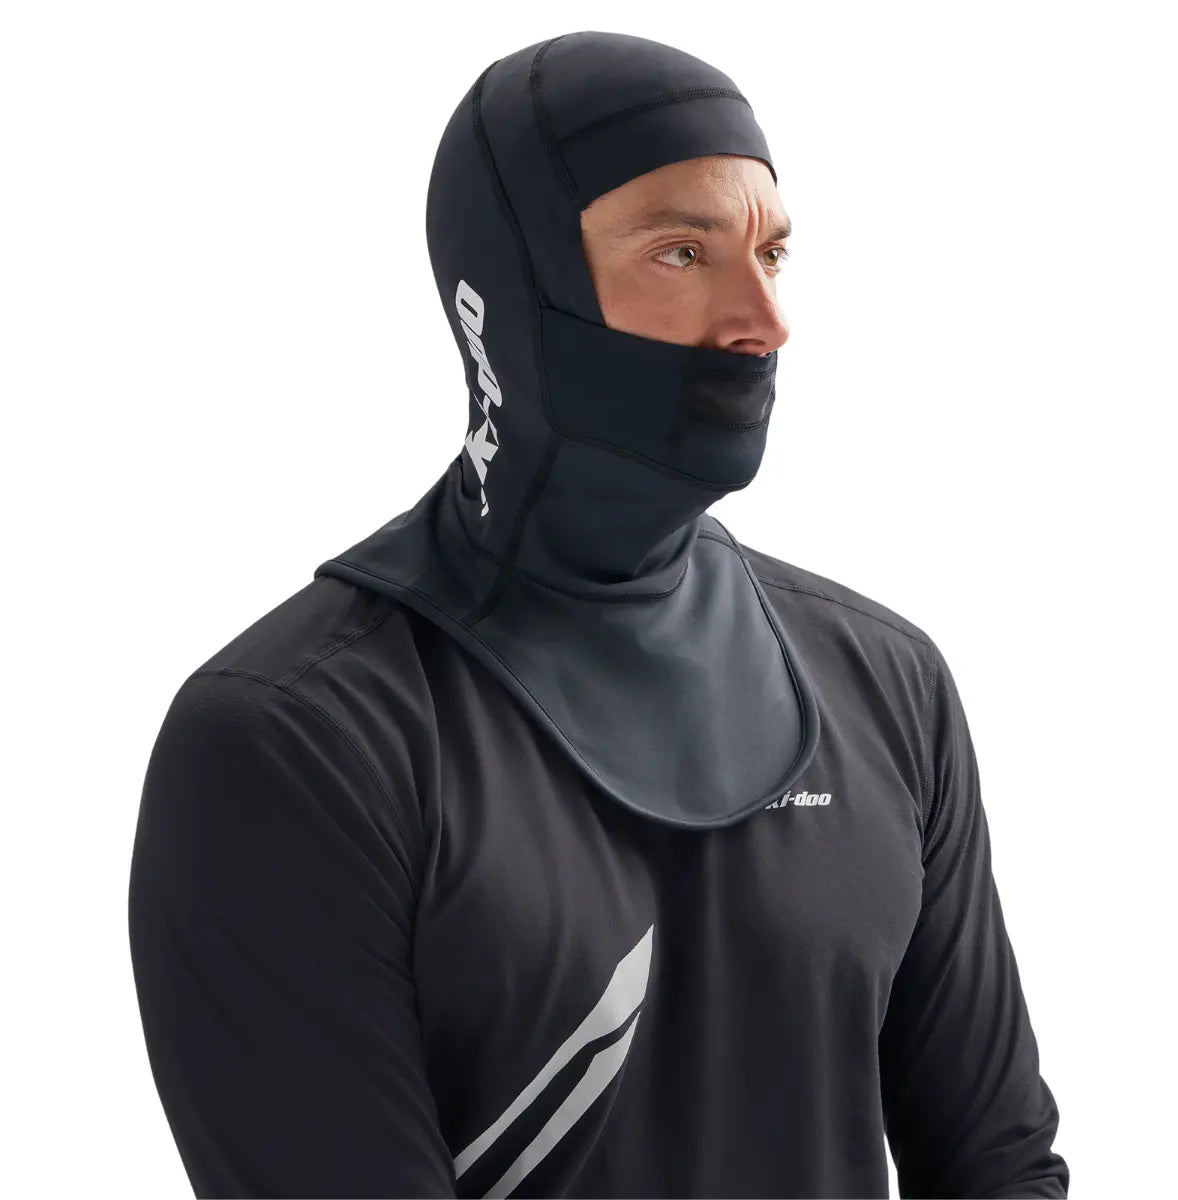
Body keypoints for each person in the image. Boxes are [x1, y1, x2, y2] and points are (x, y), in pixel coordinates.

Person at [128, 29, 1069, 1199]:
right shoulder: (295, 742)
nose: (763, 321)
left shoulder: (885, 684)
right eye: (683, 252)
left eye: (773, 253)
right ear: (511, 296)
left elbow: (998, 1166)